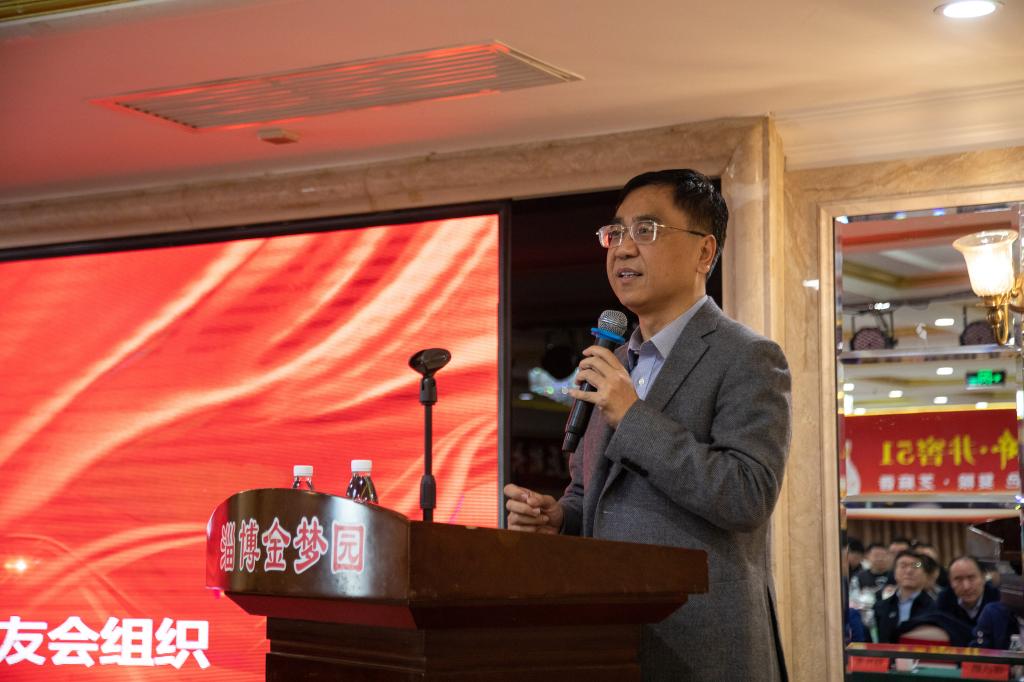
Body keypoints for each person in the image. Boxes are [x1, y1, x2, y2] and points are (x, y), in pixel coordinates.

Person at [503, 169, 791, 680]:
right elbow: (590, 492)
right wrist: (560, 518)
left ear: (704, 252)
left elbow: (747, 495)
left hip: (704, 647)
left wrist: (633, 417)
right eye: (615, 233)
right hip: (612, 641)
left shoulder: (748, 356)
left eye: (646, 230)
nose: (623, 248)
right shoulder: (613, 360)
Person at [874, 551, 936, 643]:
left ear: (925, 575)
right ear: (894, 573)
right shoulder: (881, 607)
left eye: (915, 566)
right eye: (903, 566)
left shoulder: (934, 608)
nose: (909, 571)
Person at [937, 556, 1000, 629]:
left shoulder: (998, 598)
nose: (966, 587)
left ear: (983, 578)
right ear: (950, 582)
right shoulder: (944, 600)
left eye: (971, 578)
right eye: (958, 579)